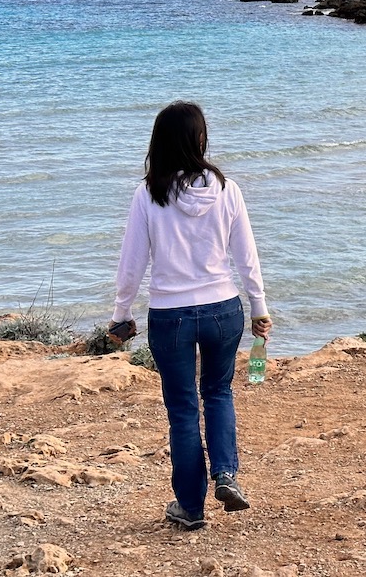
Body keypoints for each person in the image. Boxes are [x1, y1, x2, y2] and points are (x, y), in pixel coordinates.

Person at [110, 101, 272, 530]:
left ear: (159, 142)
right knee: (218, 393)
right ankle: (225, 474)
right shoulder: (227, 189)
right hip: (223, 309)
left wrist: (120, 314)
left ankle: (190, 507)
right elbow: (246, 256)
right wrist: (259, 306)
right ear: (201, 139)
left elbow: (132, 262)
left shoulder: (148, 194)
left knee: (182, 409)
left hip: (170, 315)